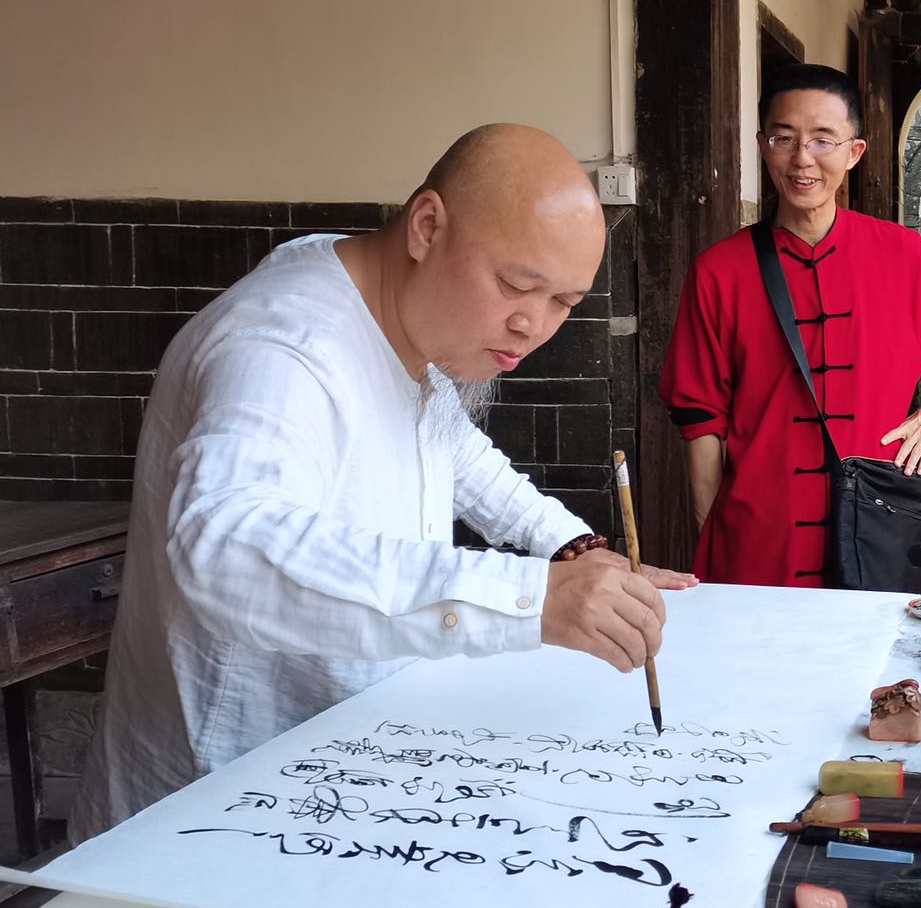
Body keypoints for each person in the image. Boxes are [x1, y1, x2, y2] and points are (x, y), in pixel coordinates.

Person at [73, 125, 694, 842]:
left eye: (566, 302)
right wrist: (533, 598)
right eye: (517, 286)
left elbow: (455, 450)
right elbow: (225, 549)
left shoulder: (387, 305)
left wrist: (573, 549)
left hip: (345, 767)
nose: (533, 325)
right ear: (427, 226)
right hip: (217, 807)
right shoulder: (282, 348)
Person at [660, 63, 921, 587]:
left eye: (823, 140)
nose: (803, 158)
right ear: (762, 145)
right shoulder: (719, 272)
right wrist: (714, 531)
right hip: (760, 537)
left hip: (873, 530)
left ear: (853, 152)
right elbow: (699, 417)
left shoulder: (902, 255)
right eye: (784, 138)